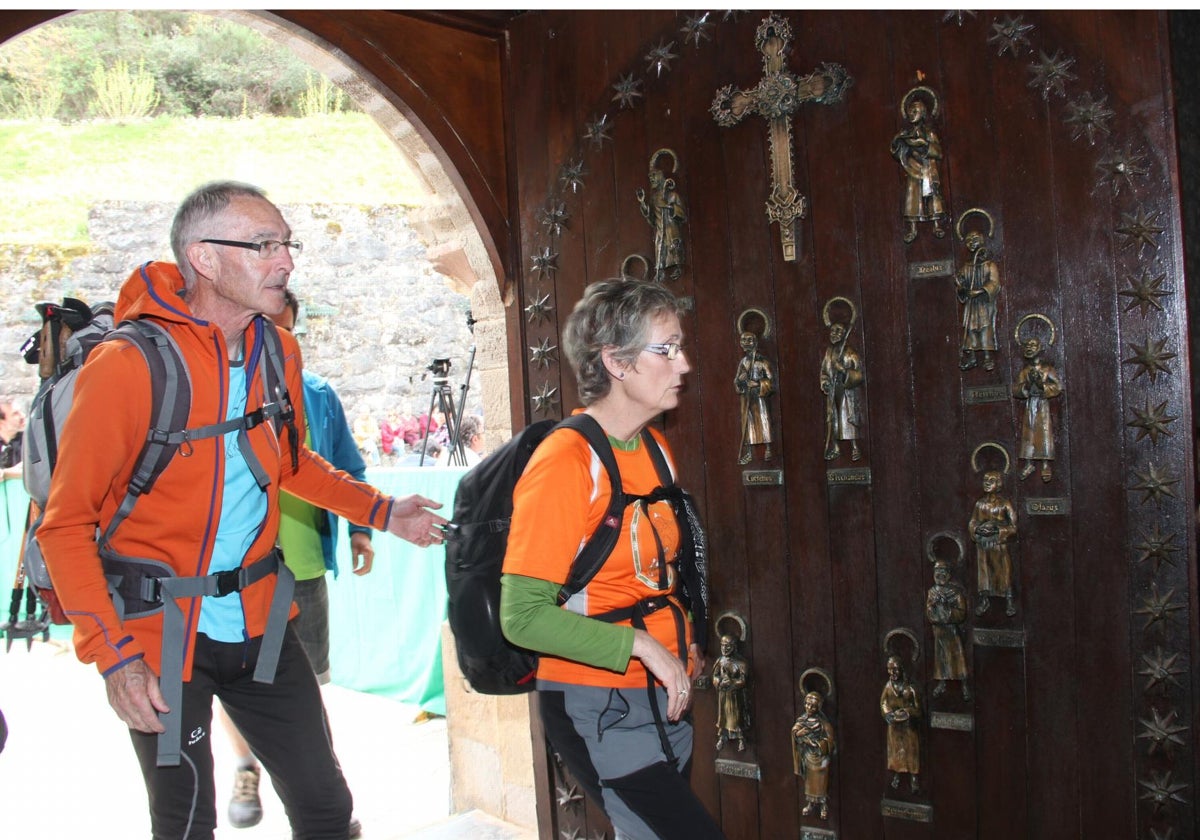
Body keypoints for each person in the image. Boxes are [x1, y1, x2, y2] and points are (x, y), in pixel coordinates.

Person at [37, 180, 447, 840]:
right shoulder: (126, 367)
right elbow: (64, 526)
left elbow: (287, 462)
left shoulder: (276, 351)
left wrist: (382, 511)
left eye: (287, 243)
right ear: (203, 257)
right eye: (263, 245)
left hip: (262, 622)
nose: (284, 260)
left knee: (326, 808)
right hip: (157, 634)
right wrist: (113, 657)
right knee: (188, 823)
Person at [499, 278, 724, 840]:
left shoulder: (654, 448)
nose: (684, 364)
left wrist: (682, 642)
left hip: (661, 696)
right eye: (666, 349)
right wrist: (642, 645)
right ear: (617, 362)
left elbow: (656, 572)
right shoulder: (567, 461)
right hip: (595, 703)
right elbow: (521, 616)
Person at [217, 289, 373, 834]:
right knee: (237, 682)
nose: (272, 341)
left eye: (282, 330)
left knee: (303, 691)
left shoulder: (317, 395)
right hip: (237, 576)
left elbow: (345, 464)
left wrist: (361, 529)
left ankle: (315, 790)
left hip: (302, 566)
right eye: (262, 326)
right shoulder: (216, 393)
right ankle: (244, 767)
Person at [890, 92, 947, 243]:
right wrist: (897, 142)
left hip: (928, 169)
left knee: (933, 196)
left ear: (922, 114)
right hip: (913, 170)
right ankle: (913, 228)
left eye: (915, 111)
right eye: (910, 111)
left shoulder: (929, 133)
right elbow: (899, 152)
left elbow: (938, 152)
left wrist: (924, 144)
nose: (911, 114)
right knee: (912, 197)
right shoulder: (906, 134)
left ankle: (936, 224)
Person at [969, 470, 1019, 617]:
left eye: (991, 480)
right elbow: (972, 522)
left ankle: (1009, 601)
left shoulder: (1004, 504)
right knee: (984, 573)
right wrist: (977, 529)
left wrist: (998, 530)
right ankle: (984, 600)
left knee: (1003, 572)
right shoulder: (980, 504)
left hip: (998, 545)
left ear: (998, 484)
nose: (987, 482)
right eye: (985, 479)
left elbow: (1013, 527)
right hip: (983, 545)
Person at [1012, 337, 1063, 482]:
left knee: (1044, 433)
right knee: (1029, 434)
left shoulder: (1048, 369)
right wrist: (1026, 387)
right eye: (1027, 345)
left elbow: (1058, 387)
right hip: (1030, 405)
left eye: (1033, 345)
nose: (1029, 347)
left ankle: (1046, 464)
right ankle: (1029, 463)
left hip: (1042, 405)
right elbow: (1016, 389)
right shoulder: (1025, 371)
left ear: (1040, 348)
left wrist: (1042, 386)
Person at [635, 154, 687, 282]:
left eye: (654, 176)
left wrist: (669, 207)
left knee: (674, 248)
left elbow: (682, 214)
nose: (651, 179)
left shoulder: (673, 195)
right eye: (650, 177)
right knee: (660, 249)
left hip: (671, 229)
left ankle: (678, 268)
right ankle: (660, 273)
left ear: (660, 176)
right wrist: (643, 203)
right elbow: (652, 219)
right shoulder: (654, 198)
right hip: (660, 230)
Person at [955, 230, 1001, 371]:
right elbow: (960, 282)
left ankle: (987, 357)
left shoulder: (989, 265)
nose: (971, 243)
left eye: (974, 239)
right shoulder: (967, 266)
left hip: (984, 304)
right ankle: (973, 357)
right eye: (968, 240)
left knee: (984, 328)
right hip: (971, 305)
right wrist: (962, 288)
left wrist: (980, 291)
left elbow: (994, 283)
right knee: (970, 329)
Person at [925, 559, 970, 700]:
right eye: (937, 572)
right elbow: (929, 612)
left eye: (943, 572)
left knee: (957, 658)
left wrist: (946, 609)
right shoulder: (932, 592)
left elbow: (961, 613)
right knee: (941, 659)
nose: (940, 575)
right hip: (939, 631)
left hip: (952, 631)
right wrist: (933, 608)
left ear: (949, 574)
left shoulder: (955, 593)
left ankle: (964, 685)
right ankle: (942, 683)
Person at [819, 321, 864, 462]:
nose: (834, 334)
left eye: (838, 331)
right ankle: (836, 448)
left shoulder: (850, 353)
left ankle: (855, 447)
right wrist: (825, 382)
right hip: (834, 390)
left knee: (847, 418)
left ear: (844, 334)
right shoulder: (829, 352)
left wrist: (843, 370)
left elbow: (859, 374)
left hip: (846, 391)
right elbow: (824, 371)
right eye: (832, 331)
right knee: (833, 419)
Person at [791, 691, 835, 820]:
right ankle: (810, 803)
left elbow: (830, 740)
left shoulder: (823, 723)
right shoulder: (802, 720)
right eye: (807, 704)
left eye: (813, 706)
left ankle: (823, 805)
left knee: (821, 782)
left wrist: (817, 744)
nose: (809, 708)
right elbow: (794, 731)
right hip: (808, 756)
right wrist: (799, 735)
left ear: (818, 707)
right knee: (809, 782)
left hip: (820, 758)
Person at [880, 655, 921, 793]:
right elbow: (884, 702)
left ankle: (914, 777)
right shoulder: (888, 686)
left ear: (902, 670)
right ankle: (896, 775)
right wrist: (888, 713)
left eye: (895, 670)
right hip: (894, 726)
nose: (892, 673)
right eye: (890, 670)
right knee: (895, 752)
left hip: (908, 726)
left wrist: (907, 712)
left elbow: (918, 709)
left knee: (911, 752)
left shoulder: (910, 689)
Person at [734, 331, 774, 465]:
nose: (745, 343)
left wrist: (758, 384)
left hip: (759, 397)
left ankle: (768, 449)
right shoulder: (743, 362)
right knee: (748, 423)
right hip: (747, 398)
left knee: (763, 421)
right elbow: (737, 381)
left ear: (755, 342)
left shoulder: (761, 361)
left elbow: (771, 381)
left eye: (749, 340)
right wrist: (740, 381)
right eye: (743, 340)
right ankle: (749, 452)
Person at [711, 634, 749, 752]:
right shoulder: (720, 661)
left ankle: (741, 738)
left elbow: (743, 680)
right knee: (723, 717)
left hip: (735, 696)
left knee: (737, 717)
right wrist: (719, 682)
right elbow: (715, 676)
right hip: (723, 695)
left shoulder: (741, 663)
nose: (724, 648)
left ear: (734, 646)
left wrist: (732, 682)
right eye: (722, 645)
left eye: (728, 646)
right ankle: (722, 737)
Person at [0, 399, 25, 478]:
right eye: (15, 414)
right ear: (1, 422)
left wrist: (5, 473)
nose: (23, 416)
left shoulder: (28, 440)